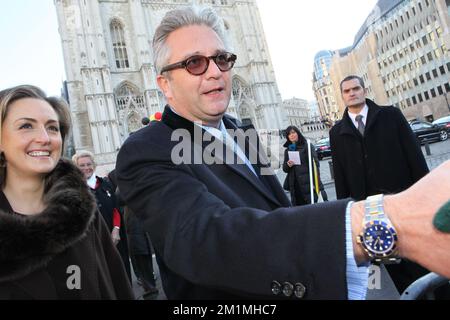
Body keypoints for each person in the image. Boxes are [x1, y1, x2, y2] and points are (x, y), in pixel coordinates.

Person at [116, 5, 450, 300]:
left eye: (221, 58)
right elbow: (208, 239)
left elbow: (276, 210)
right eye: (194, 63)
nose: (215, 71)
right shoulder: (147, 149)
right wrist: (377, 220)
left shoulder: (241, 130)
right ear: (165, 84)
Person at [0, 85, 133, 299]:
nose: (45, 138)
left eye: (52, 128)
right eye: (26, 126)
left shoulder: (80, 209)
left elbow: (117, 283)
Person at [329, 75, 431, 293]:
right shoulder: (336, 132)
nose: (352, 93)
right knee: (390, 262)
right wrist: (347, 212)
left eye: (356, 88)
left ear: (364, 90)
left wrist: (425, 193)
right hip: (369, 211)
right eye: (346, 91)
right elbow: (340, 175)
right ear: (342, 96)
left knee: (418, 256)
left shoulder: (390, 116)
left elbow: (414, 156)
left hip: (402, 200)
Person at [72, 151, 132, 283]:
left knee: (122, 274)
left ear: (94, 165)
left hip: (115, 238)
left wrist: (116, 229)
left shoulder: (106, 184)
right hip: (93, 242)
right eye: (81, 165)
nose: (86, 168)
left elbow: (116, 209)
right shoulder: (74, 190)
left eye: (89, 164)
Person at [282, 125, 328, 205]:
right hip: (295, 187)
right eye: (289, 134)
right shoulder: (287, 150)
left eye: (293, 132)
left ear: (298, 133)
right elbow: (285, 169)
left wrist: (316, 183)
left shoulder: (307, 146)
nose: (291, 135)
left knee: (315, 209)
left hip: (309, 184)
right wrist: (288, 165)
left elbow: (315, 165)